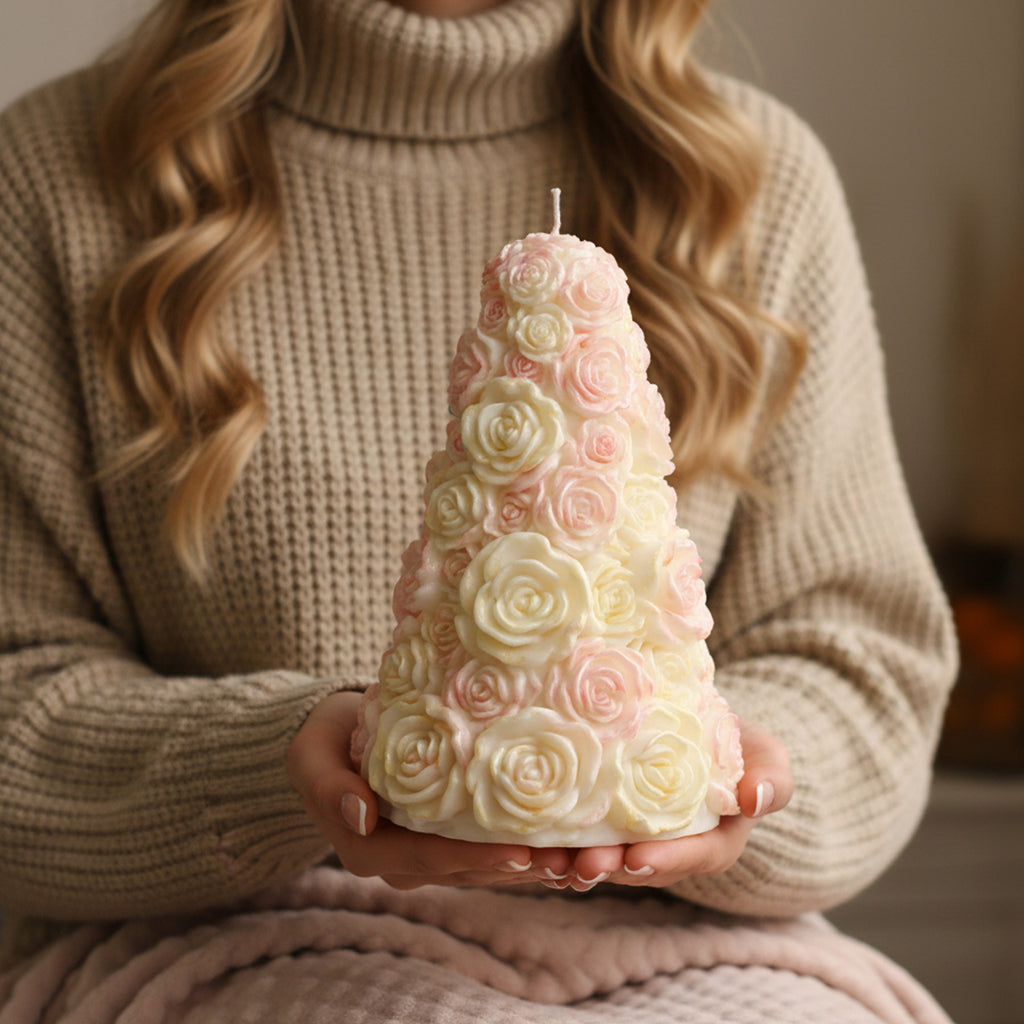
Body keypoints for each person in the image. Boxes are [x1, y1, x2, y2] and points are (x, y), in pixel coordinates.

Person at [0, 0, 958, 1020]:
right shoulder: (55, 174)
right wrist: (277, 762)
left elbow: (857, 657)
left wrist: (704, 771)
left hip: (701, 948)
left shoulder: (748, 180)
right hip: (236, 939)